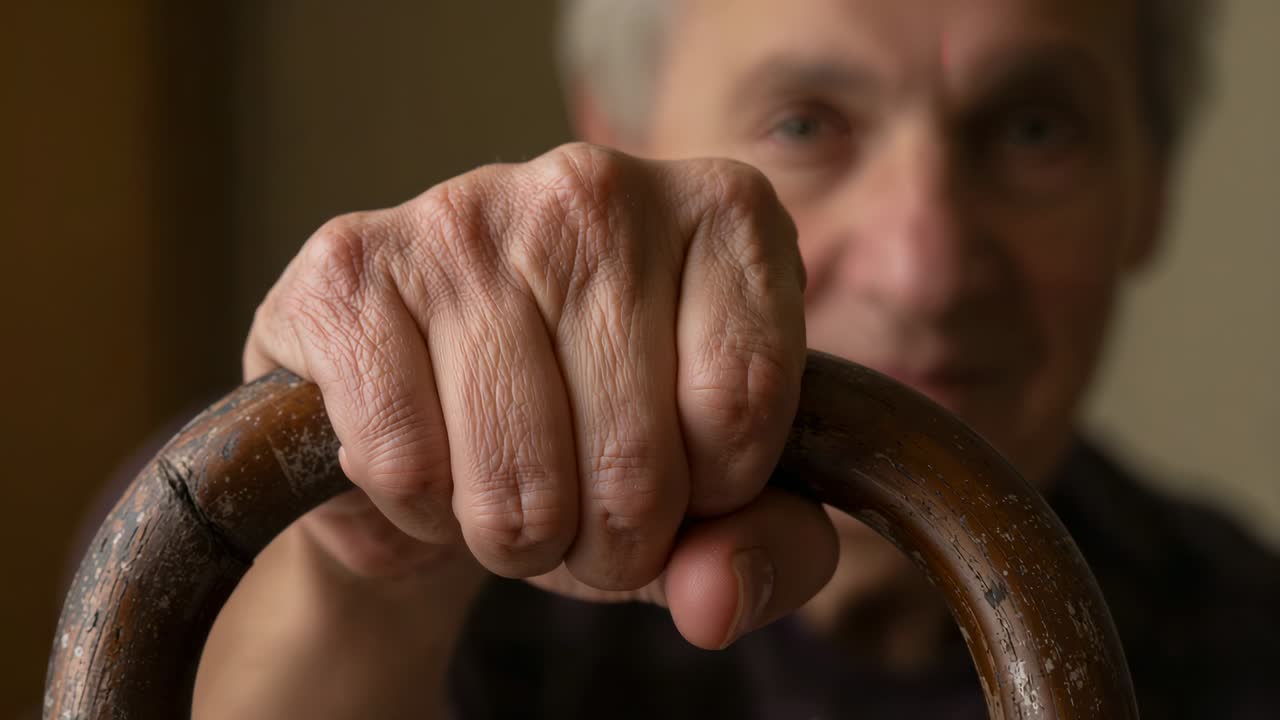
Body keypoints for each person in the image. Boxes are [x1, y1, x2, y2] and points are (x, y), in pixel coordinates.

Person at [188, 0, 1279, 717]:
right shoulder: (252, 532)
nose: (924, 266)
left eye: (1033, 131)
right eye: (804, 126)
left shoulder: (1246, 642)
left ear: (1151, 194)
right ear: (618, 139)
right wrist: (372, 579)